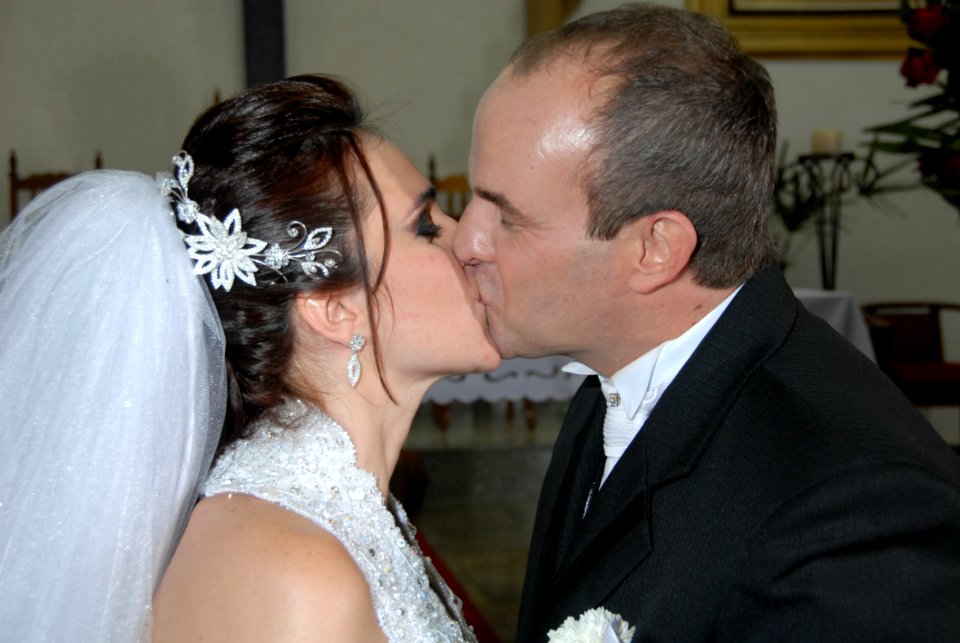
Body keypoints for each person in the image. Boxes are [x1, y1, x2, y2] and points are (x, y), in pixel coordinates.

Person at [453, 4, 960, 641]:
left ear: (655, 249)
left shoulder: (856, 514)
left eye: (507, 216)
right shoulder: (617, 376)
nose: (466, 241)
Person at [0, 74, 499, 642]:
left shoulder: (345, 510)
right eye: (427, 227)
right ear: (333, 308)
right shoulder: (292, 571)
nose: (467, 242)